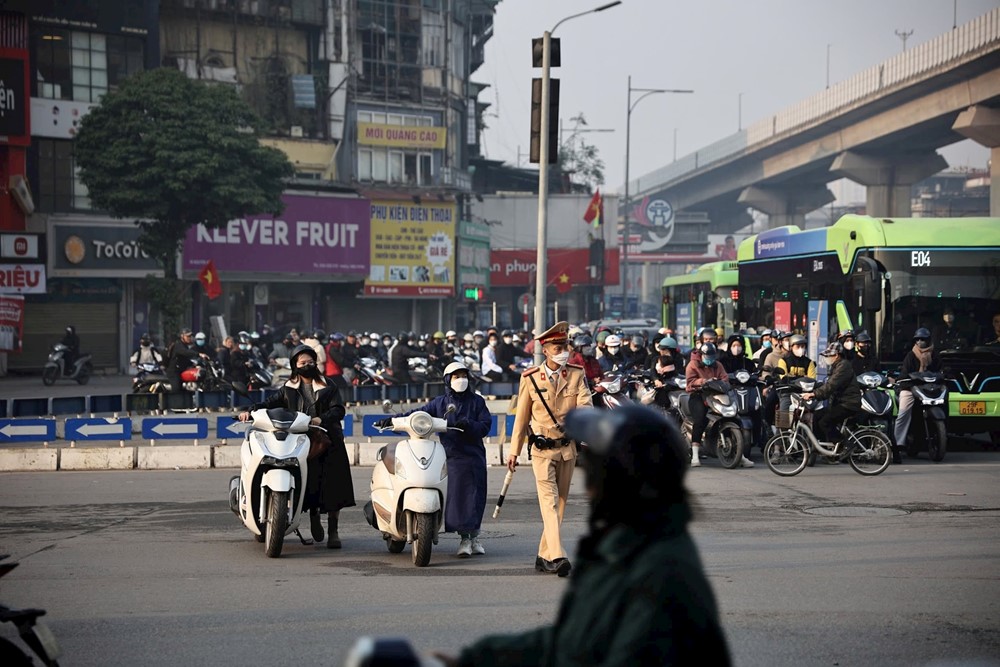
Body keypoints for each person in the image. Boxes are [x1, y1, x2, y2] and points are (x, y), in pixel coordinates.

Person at [440, 405, 731, 667]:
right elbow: (574, 639)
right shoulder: (623, 546)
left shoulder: (659, 571)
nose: (590, 481)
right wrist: (477, 658)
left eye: (598, 468)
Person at [237, 344, 355, 548]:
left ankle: (333, 530)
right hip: (301, 440)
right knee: (306, 481)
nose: (307, 365)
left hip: (328, 439)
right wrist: (251, 411)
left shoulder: (328, 385)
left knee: (334, 486)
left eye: (311, 362)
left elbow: (339, 410)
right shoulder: (288, 388)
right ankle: (314, 517)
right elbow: (270, 403)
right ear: (295, 365)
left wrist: (321, 419)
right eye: (303, 362)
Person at [379, 362, 492, 557]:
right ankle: (464, 537)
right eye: (456, 376)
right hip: (450, 457)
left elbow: (485, 425)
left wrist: (469, 424)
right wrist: (393, 419)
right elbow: (418, 415)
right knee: (457, 499)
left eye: (464, 375)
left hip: (473, 457)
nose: (461, 380)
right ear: (448, 380)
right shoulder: (439, 403)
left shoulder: (477, 402)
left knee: (474, 498)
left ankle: (474, 537)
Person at [508, 321, 593, 577]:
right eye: (557, 346)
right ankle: (558, 555)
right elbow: (521, 419)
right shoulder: (531, 378)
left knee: (561, 503)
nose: (563, 350)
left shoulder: (577, 373)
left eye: (565, 345)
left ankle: (544, 555)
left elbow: (586, 404)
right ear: (545, 350)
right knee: (549, 504)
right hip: (542, 450)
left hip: (567, 449)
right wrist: (513, 451)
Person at [685, 342, 743, 468]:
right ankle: (695, 454)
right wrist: (704, 381)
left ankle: (740, 454)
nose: (710, 359)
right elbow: (690, 383)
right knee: (700, 420)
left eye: (712, 356)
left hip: (716, 395)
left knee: (733, 416)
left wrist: (721, 383)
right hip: (698, 395)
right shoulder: (693, 365)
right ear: (701, 355)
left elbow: (725, 378)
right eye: (707, 356)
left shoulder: (718, 365)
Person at [802, 342, 863, 445]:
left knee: (825, 422)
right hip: (841, 403)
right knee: (817, 415)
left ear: (837, 355)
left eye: (829, 355)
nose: (827, 358)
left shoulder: (843, 366)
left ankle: (845, 445)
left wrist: (814, 394)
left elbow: (831, 385)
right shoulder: (836, 366)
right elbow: (828, 384)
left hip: (849, 404)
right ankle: (822, 445)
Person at [892, 327, 943, 451]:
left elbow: (941, 371)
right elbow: (904, 374)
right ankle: (897, 444)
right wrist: (905, 379)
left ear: (928, 340)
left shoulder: (935, 355)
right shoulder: (910, 355)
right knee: (903, 412)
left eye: (923, 339)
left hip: (929, 389)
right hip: (909, 388)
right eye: (918, 339)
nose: (920, 342)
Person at [166, 328, 208, 393]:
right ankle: (172, 401)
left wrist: (194, 365)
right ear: (182, 336)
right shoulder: (178, 345)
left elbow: (185, 359)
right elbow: (185, 352)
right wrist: (199, 354)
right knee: (176, 389)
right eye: (187, 336)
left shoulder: (185, 346)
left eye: (190, 336)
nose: (189, 338)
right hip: (174, 372)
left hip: (182, 371)